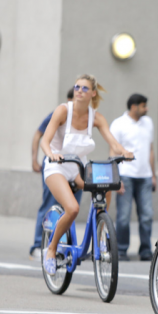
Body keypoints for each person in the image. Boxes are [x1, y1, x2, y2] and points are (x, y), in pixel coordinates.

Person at [40, 74, 133, 275]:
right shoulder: (63, 111)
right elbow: (44, 141)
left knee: (106, 186)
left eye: (84, 88)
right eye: (77, 87)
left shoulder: (96, 117)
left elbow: (113, 142)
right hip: (56, 166)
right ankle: (51, 249)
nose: (79, 91)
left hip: (78, 168)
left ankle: (100, 231)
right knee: (72, 208)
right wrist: (51, 154)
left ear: (92, 93)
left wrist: (123, 151)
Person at [29, 87, 83, 260]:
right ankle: (37, 245)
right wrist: (35, 159)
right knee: (49, 204)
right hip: (55, 164)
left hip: (74, 167)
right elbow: (38, 135)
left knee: (72, 207)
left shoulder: (84, 117)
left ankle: (64, 245)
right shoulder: (58, 113)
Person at [110, 94, 155, 261]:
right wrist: (116, 178)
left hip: (145, 176)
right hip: (125, 175)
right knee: (123, 216)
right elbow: (113, 151)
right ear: (134, 107)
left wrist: (153, 174)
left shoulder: (148, 123)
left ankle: (145, 250)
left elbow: (151, 150)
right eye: (144, 106)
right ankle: (121, 249)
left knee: (147, 215)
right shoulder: (119, 124)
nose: (146, 109)